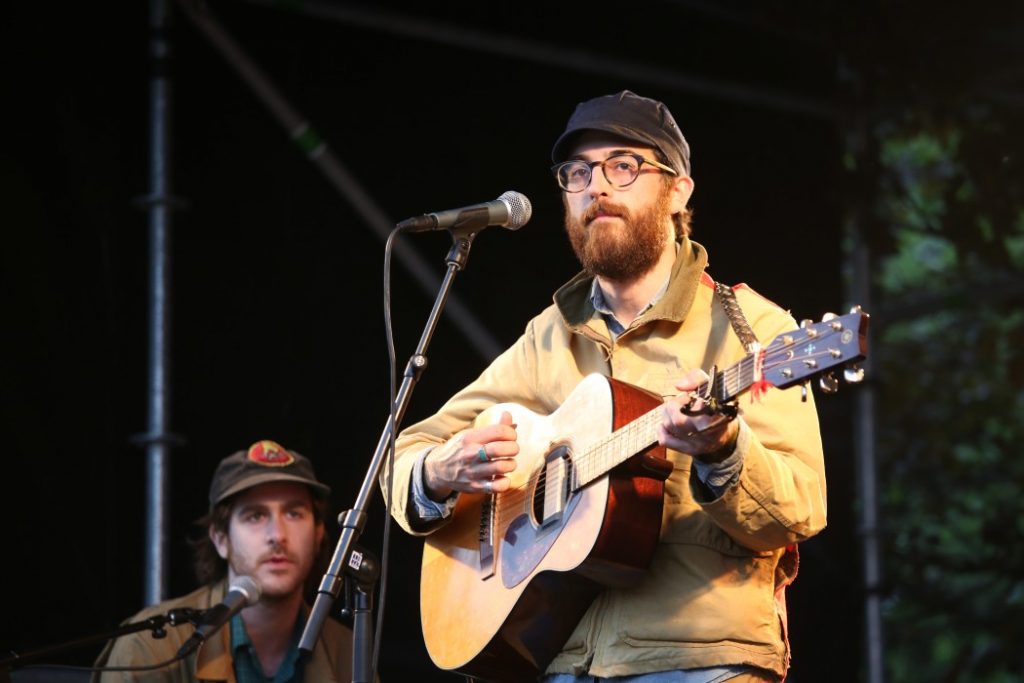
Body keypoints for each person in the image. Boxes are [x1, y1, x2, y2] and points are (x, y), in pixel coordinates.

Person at [382, 90, 827, 682]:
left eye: (624, 166)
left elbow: (799, 511)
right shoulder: (549, 336)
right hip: (562, 662)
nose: (597, 187)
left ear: (677, 191)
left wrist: (722, 450)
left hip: (700, 660)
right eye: (578, 173)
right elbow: (401, 458)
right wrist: (438, 473)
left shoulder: (755, 331)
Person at [94, 440, 359, 682]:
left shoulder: (350, 653)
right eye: (255, 516)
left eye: (293, 513)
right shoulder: (152, 647)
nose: (277, 535)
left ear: (318, 534)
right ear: (221, 539)